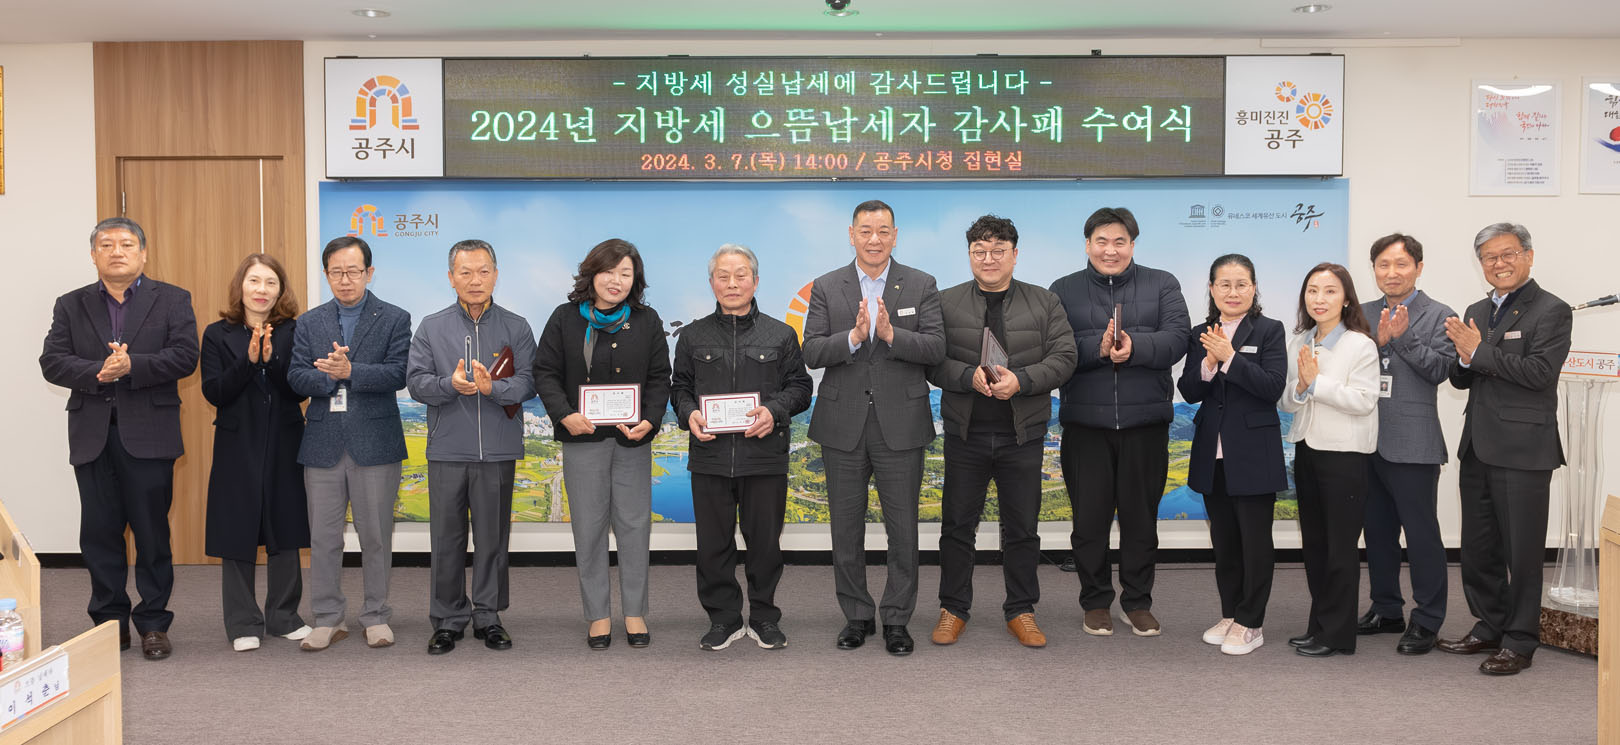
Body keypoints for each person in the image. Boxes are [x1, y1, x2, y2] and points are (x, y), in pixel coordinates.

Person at [39, 217, 198, 660]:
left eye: (126, 244)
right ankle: (109, 625)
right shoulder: (70, 304)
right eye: (106, 245)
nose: (117, 251)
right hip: (92, 435)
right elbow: (52, 361)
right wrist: (98, 371)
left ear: (143, 253)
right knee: (99, 535)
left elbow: (186, 356)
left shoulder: (172, 299)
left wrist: (133, 366)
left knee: (152, 535)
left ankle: (153, 623)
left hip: (150, 434)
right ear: (93, 255)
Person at [802, 199, 945, 656]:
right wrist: (854, 338)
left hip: (900, 424)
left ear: (895, 236)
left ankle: (898, 619)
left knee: (903, 530)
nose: (874, 239)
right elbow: (812, 351)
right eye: (865, 231)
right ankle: (857, 615)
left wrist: (889, 336)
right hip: (841, 424)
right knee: (846, 530)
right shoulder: (827, 286)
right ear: (851, 235)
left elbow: (935, 348)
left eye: (883, 231)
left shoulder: (921, 284)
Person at [925, 215, 1075, 649]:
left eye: (997, 251)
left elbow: (1065, 357)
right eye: (979, 251)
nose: (988, 259)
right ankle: (953, 609)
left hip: (1022, 435)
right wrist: (966, 375)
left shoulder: (1044, 302)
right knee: (957, 527)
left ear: (1014, 254)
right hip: (965, 433)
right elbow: (932, 360)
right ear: (970, 255)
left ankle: (1021, 610)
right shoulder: (946, 302)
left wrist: (1021, 381)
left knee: (1022, 528)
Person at [1048, 206, 1191, 637]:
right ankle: (1095, 602)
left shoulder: (1162, 284)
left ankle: (1137, 602)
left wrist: (1134, 347)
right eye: (1101, 241)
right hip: (1085, 426)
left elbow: (1177, 338)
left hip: (1145, 423)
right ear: (1087, 244)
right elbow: (1055, 347)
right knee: (1088, 523)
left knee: (1140, 521)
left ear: (1132, 244)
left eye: (1119, 241)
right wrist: (1099, 346)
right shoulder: (1063, 289)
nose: (1110, 250)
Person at [1438, 223, 1571, 676]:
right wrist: (1463, 357)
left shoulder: (1552, 310)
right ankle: (1489, 625)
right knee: (1478, 550)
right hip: (1477, 445)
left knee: (1522, 553)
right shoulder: (1476, 309)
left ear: (1528, 256)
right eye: (1490, 257)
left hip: (1523, 450)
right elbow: (1462, 378)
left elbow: (1539, 374)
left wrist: (1477, 351)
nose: (1499, 263)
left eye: (1508, 253)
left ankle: (1520, 640)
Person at [670, 244, 812, 651]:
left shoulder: (781, 334)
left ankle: (765, 617)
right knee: (713, 547)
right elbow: (679, 388)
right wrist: (688, 413)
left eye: (740, 275)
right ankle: (724, 619)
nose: (732, 283)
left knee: (765, 546)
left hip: (764, 457)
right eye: (723, 276)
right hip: (710, 458)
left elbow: (801, 387)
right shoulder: (692, 336)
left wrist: (774, 410)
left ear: (755, 280)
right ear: (712, 282)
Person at [534, 238, 671, 650]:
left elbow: (660, 377)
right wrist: (564, 414)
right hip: (583, 439)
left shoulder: (646, 320)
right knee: (589, 528)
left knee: (635, 527)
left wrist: (650, 419)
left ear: (635, 280)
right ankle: (597, 615)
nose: (616, 280)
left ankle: (635, 612)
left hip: (632, 441)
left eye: (625, 273)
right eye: (609, 272)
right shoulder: (565, 319)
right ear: (592, 274)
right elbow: (545, 372)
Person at [407, 240, 536, 655]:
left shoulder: (516, 326)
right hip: (447, 450)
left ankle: (488, 616)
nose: (475, 280)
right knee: (446, 540)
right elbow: (416, 382)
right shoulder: (432, 327)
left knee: (493, 539)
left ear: (496, 275)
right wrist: (450, 385)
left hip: (497, 451)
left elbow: (529, 382)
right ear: (451, 278)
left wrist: (491, 388)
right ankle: (447, 620)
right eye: (465, 272)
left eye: (483, 271)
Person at [288, 236, 412, 651]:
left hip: (375, 441)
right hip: (322, 442)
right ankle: (328, 618)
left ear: (369, 273)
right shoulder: (309, 322)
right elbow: (296, 376)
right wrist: (329, 377)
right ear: (326, 274)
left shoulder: (394, 317)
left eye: (353, 271)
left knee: (375, 536)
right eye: (336, 272)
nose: (345, 280)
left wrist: (351, 371)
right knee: (324, 538)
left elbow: (399, 373)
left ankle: (376, 615)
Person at [199, 253, 312, 652]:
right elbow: (214, 392)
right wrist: (248, 363)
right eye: (254, 281)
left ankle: (284, 616)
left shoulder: (295, 331)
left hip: (285, 439)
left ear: (280, 291)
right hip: (237, 442)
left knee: (286, 527)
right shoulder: (217, 334)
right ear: (241, 287)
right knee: (236, 528)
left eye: (270, 283)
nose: (261, 290)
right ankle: (242, 622)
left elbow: (299, 389)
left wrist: (272, 360)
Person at [1176, 254, 1287, 656]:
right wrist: (1208, 362)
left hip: (1254, 452)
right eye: (1224, 284)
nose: (1233, 292)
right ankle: (1231, 613)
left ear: (1254, 288)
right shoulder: (1201, 333)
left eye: (1241, 284)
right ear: (1211, 289)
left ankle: (1251, 621)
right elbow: (1189, 390)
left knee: (1254, 543)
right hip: (1213, 453)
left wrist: (1231, 358)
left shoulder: (1270, 330)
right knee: (1224, 541)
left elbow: (1272, 387)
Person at [1357, 234, 1457, 655]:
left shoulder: (1439, 315)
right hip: (1365, 440)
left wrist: (1402, 339)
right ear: (1374, 269)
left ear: (1418, 267)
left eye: (1401, 264)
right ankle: (1386, 609)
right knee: (1377, 533)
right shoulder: (1360, 313)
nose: (1391, 272)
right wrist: (1376, 344)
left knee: (1421, 536)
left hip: (1414, 443)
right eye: (1383, 264)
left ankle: (1428, 619)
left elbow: (1441, 371)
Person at [1279, 262, 1379, 658]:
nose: (1319, 299)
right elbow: (1287, 400)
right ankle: (1318, 625)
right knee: (1316, 546)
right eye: (1312, 291)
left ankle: (1337, 634)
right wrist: (1301, 388)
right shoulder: (1300, 340)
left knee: (1340, 549)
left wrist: (1316, 383)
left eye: (1330, 291)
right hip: (1308, 449)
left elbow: (1364, 400)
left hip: (1345, 456)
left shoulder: (1360, 344)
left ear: (1347, 298)